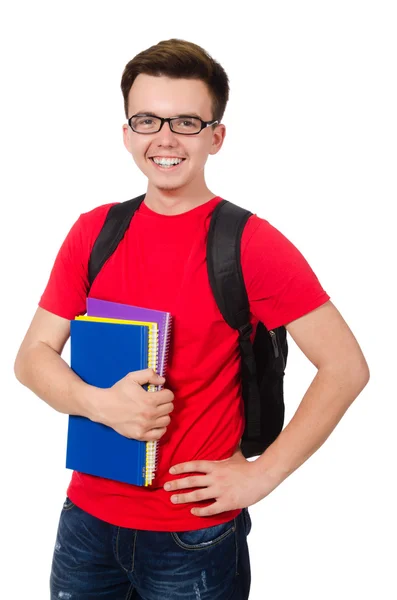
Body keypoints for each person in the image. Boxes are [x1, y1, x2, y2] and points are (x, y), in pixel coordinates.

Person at [14, 38, 370, 600]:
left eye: (186, 121)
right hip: (85, 519)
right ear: (126, 132)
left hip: (192, 532)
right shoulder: (93, 232)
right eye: (147, 119)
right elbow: (32, 358)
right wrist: (102, 404)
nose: (165, 138)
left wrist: (262, 475)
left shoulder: (251, 243)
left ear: (215, 136)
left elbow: (346, 367)